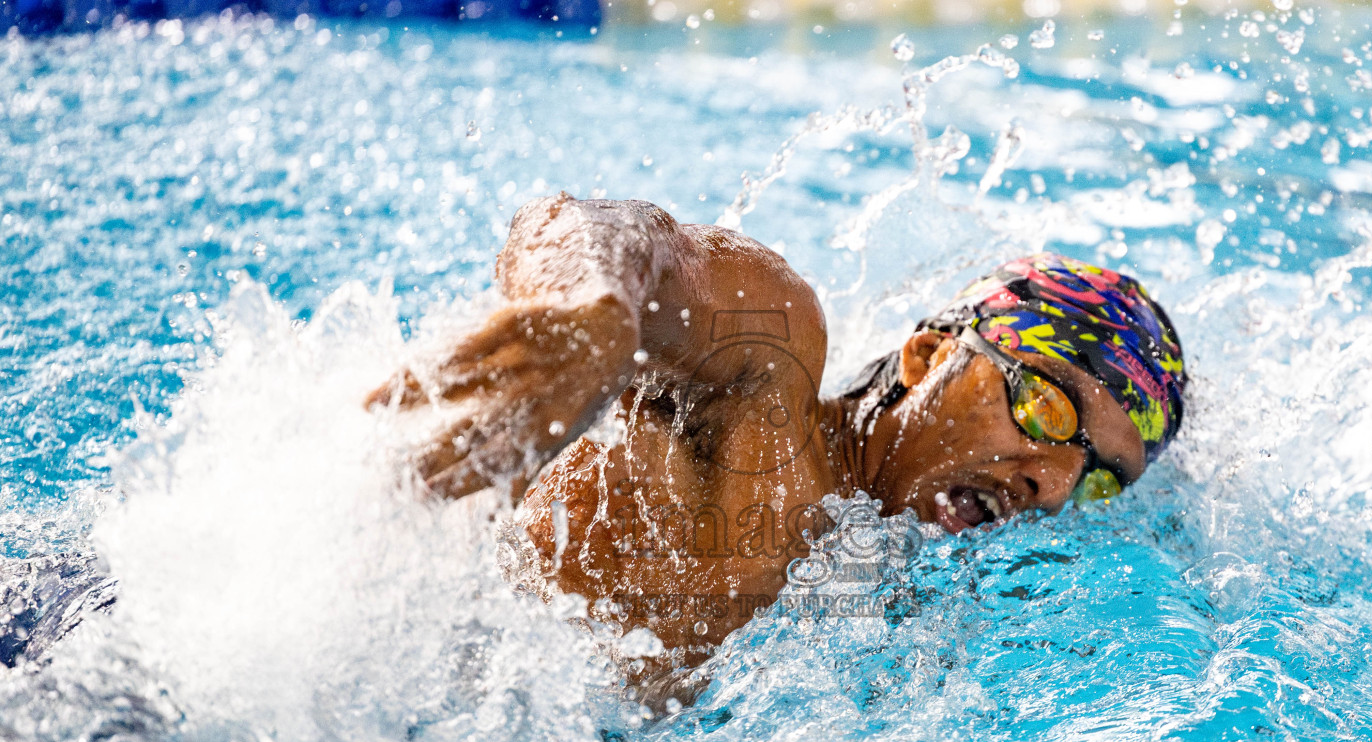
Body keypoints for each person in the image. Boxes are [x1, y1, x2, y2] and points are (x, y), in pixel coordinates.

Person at [366, 195, 1186, 692]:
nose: (1052, 482)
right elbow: (616, 231)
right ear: (929, 356)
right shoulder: (768, 378)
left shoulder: (902, 609)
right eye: (1045, 408)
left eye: (1098, 477)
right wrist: (593, 314)